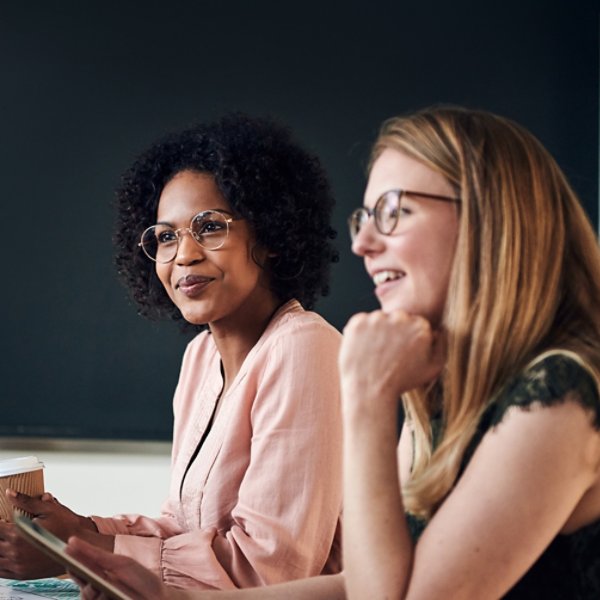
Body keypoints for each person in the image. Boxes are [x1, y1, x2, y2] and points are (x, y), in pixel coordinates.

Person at [67, 105, 600, 599]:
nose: (364, 243)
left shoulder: (560, 393)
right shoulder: (446, 394)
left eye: (394, 211)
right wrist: (172, 596)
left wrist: (368, 397)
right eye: (364, 219)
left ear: (490, 217)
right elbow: (363, 583)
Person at [0, 113, 344, 590]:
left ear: (271, 237)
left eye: (208, 227)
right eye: (165, 236)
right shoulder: (201, 358)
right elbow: (187, 530)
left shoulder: (306, 347)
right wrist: (80, 528)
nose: (184, 254)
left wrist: (75, 551)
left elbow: (267, 569)